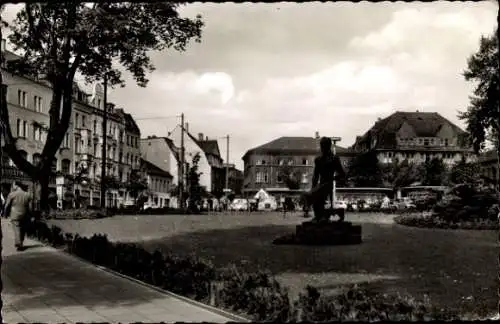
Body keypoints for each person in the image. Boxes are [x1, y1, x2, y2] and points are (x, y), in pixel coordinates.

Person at [305, 137, 345, 222]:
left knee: (316, 194)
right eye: (321, 146)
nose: (322, 148)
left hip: (329, 184)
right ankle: (319, 215)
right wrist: (313, 187)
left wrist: (334, 178)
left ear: (329, 146)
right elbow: (315, 175)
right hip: (321, 184)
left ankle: (321, 216)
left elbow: (342, 174)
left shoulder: (334, 159)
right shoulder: (318, 160)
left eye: (324, 146)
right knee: (311, 194)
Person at [2, 182, 33, 251]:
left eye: (13, 185)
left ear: (16, 186)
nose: (12, 187)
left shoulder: (12, 194)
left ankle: (19, 243)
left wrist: (5, 214)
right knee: (23, 229)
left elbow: (6, 206)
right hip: (24, 214)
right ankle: (21, 242)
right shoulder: (27, 194)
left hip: (15, 214)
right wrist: (31, 215)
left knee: (17, 229)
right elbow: (30, 207)